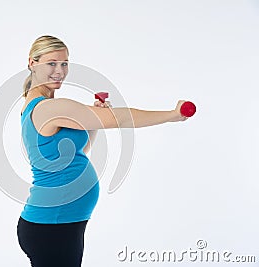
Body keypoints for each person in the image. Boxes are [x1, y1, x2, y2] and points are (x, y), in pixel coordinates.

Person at [17, 35, 188, 267]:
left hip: (58, 223)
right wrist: (171, 115)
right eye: (52, 63)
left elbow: (78, 152)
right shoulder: (48, 108)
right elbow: (120, 118)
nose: (59, 71)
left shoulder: (37, 107)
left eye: (65, 63)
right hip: (52, 225)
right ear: (32, 63)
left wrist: (93, 123)